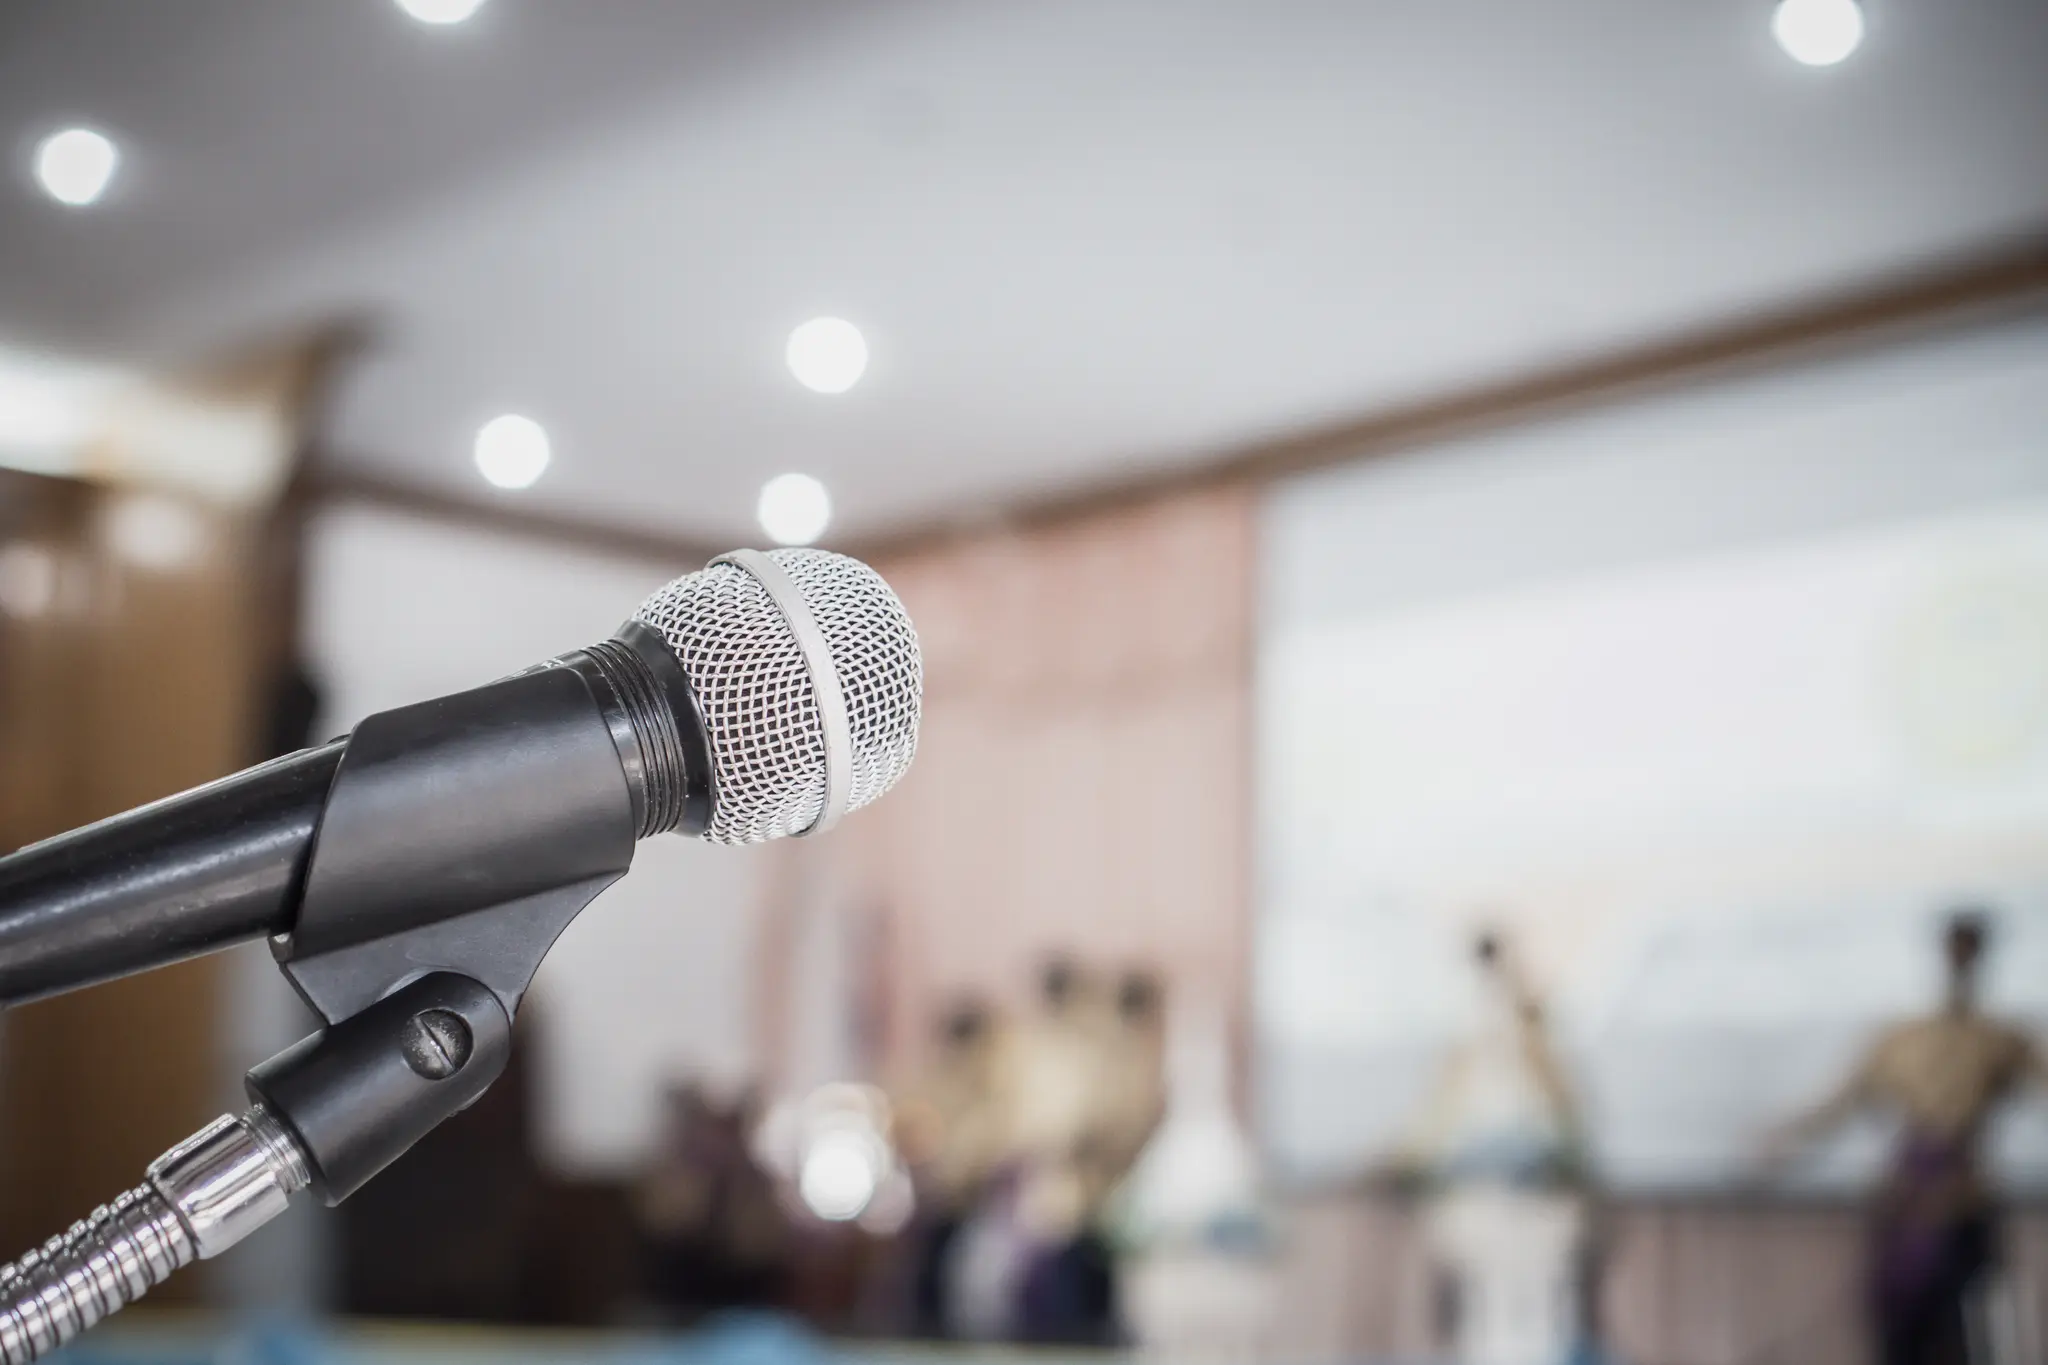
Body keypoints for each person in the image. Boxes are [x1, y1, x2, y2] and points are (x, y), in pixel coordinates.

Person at [1762, 909, 2048, 1365]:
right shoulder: (1905, 1037)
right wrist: (1782, 1139)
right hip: (1908, 1195)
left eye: (1967, 948)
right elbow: (1844, 1101)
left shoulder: (1999, 1039)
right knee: (1898, 1317)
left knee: (1962, 1322)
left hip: (1961, 1197)